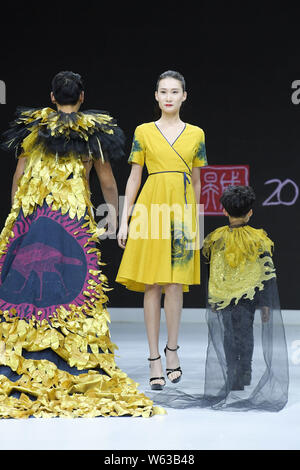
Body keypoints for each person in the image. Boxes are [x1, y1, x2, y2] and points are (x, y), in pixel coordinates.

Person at [0, 71, 164, 418]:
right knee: (71, 290)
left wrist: (18, 221)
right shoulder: (93, 135)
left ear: (51, 96)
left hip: (33, 220)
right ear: (83, 97)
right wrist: (114, 219)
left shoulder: (34, 131)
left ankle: (23, 357)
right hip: (72, 223)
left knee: (25, 291)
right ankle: (72, 359)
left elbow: (18, 179)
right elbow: (106, 181)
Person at [149, 185, 289, 411]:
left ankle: (235, 374)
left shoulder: (217, 238)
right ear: (250, 212)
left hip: (224, 296)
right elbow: (267, 274)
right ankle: (244, 373)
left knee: (229, 334)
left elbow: (212, 271)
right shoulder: (258, 239)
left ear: (224, 211)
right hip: (247, 296)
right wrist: (265, 304)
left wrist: (213, 298)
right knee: (245, 333)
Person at [116, 70, 208, 390]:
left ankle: (172, 351)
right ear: (156, 96)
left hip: (181, 211)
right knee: (152, 284)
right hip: (150, 208)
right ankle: (154, 357)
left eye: (175, 91)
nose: (169, 97)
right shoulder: (143, 131)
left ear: (184, 96)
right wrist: (124, 219)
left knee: (174, 284)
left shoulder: (196, 134)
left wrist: (195, 220)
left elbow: (197, 180)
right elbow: (133, 177)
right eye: (163, 91)